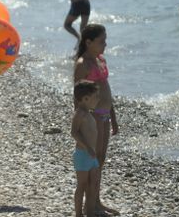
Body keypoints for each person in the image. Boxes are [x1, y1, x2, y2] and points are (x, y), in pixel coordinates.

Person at [73, 24, 119, 216]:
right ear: (88, 42)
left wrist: (114, 118)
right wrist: (81, 121)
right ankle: (89, 206)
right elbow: (77, 95)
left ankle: (96, 201)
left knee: (101, 159)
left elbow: (106, 90)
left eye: (105, 40)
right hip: (92, 117)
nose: (105, 44)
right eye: (101, 41)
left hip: (105, 115)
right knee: (93, 160)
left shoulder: (101, 59)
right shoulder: (83, 63)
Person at [71, 81, 100, 217]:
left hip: (91, 155)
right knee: (82, 185)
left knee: (93, 184)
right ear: (85, 99)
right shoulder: (80, 114)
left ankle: (90, 212)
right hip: (83, 154)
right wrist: (87, 147)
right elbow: (74, 132)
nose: (97, 100)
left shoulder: (88, 112)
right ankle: (78, 214)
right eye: (95, 97)